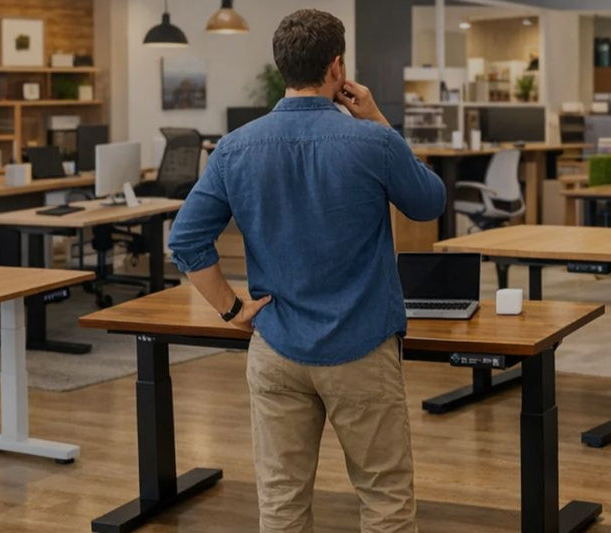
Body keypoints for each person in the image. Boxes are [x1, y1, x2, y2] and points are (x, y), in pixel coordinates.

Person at [165, 9, 444, 532]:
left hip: (276, 348)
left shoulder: (234, 148)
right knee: (384, 499)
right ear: (337, 67)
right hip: (362, 346)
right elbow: (430, 202)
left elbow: (185, 241)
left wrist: (232, 309)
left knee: (282, 502)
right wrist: (378, 120)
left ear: (281, 67)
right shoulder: (373, 142)